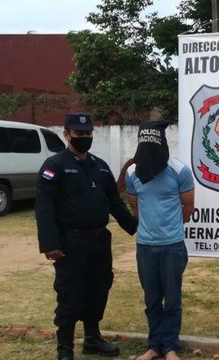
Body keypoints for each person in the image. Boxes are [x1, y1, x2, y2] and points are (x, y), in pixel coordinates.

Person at [35, 113, 138, 360]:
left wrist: (135, 227)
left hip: (99, 241)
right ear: (67, 135)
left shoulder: (100, 166)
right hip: (71, 242)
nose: (85, 138)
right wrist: (50, 243)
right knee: (70, 293)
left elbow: (114, 202)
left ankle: (92, 339)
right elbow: (45, 206)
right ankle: (65, 348)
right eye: (79, 134)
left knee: (99, 289)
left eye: (88, 134)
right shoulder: (54, 166)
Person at [124, 121, 195, 360]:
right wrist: (151, 228)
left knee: (172, 299)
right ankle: (154, 346)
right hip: (145, 247)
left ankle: (171, 347)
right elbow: (136, 209)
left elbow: (189, 207)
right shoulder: (132, 173)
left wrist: (170, 228)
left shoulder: (180, 170)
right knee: (152, 299)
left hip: (172, 246)